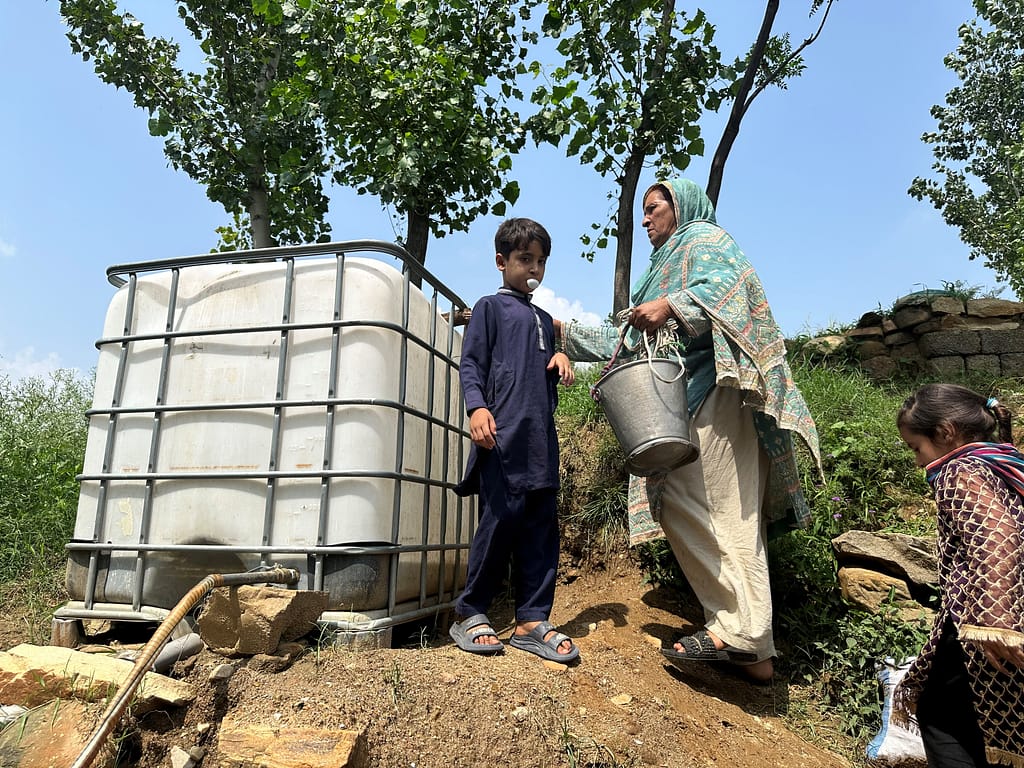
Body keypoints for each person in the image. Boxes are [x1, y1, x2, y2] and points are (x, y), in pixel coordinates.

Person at [556, 178, 820, 683]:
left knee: (725, 508)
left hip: (718, 393)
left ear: (681, 207)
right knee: (682, 499)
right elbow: (629, 336)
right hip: (677, 399)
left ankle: (740, 629)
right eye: (643, 211)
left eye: (653, 208)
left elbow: (734, 291)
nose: (646, 218)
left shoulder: (706, 240)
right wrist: (565, 333)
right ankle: (755, 652)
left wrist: (674, 307)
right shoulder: (659, 267)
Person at [449, 217, 579, 662]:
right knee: (498, 523)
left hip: (541, 442)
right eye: (525, 259)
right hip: (502, 438)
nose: (534, 269)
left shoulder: (544, 319)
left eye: (540, 261)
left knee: (542, 530)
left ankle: (530, 620)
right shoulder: (488, 308)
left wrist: (559, 355)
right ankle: (471, 611)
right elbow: (471, 365)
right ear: (502, 261)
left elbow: (541, 359)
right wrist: (476, 407)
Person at [894, 383, 1024, 768]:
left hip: (980, 619)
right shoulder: (1004, 462)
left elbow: (999, 534)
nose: (918, 461)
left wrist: (995, 620)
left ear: (946, 432)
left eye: (916, 447)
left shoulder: (960, 470)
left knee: (940, 716)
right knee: (981, 719)